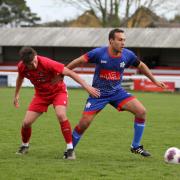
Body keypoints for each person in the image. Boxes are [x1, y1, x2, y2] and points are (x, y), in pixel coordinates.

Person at [66, 28, 167, 158]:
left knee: (141, 111)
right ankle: (69, 150)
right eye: (120, 40)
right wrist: (64, 71)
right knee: (84, 123)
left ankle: (135, 146)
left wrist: (154, 81)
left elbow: (141, 66)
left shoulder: (128, 55)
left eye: (124, 40)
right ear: (111, 41)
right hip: (98, 94)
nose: (123, 43)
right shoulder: (98, 53)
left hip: (117, 92)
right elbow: (79, 61)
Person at [13, 46, 100, 160]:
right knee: (26, 123)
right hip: (41, 96)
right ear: (24, 63)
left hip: (58, 92)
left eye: (35, 61)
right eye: (30, 64)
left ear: (36, 56)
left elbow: (69, 72)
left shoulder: (47, 63)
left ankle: (70, 149)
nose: (34, 65)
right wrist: (16, 94)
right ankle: (24, 145)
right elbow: (20, 78)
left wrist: (86, 86)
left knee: (61, 115)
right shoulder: (22, 67)